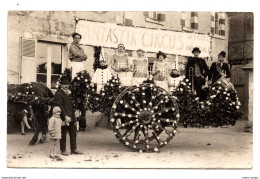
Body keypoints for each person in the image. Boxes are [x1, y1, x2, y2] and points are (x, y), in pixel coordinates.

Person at [54, 75, 83, 156]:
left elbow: (70, 106)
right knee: (63, 134)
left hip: (71, 117)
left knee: (73, 133)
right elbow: (60, 106)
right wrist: (65, 116)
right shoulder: (59, 93)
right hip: (64, 117)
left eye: (67, 84)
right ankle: (63, 150)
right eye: (64, 84)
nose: (66, 86)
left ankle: (74, 149)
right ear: (61, 85)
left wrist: (74, 116)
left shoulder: (68, 93)